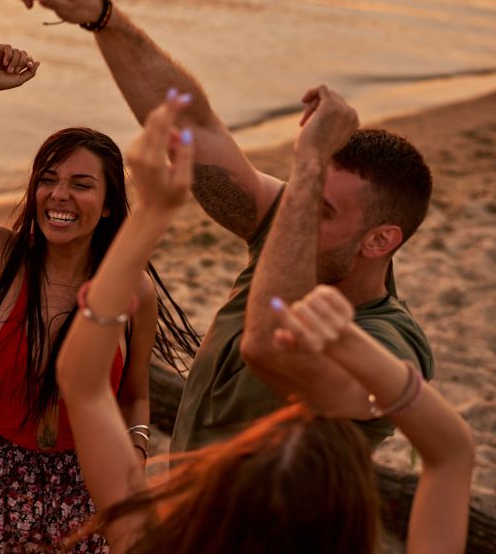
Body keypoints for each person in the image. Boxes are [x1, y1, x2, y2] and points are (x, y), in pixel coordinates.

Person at [2, 0, 434, 450]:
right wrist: (101, 17)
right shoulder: (291, 226)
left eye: (320, 207)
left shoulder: (392, 348)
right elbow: (196, 127)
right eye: (299, 195)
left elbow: (269, 349)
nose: (296, 212)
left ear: (380, 240)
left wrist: (310, 158)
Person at [56, 95, 474, 554]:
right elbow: (452, 453)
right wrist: (347, 339)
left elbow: (82, 384)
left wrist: (152, 217)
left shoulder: (149, 541)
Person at [0, 44, 198, 552]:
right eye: (48, 180)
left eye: (81, 184)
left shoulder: (132, 290)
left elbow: (134, 393)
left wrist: (135, 446)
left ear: (109, 207)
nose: (59, 195)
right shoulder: (2, 257)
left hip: (86, 481)